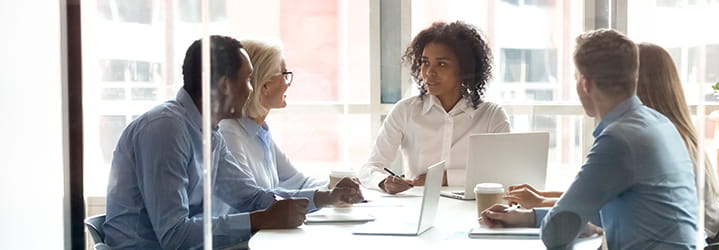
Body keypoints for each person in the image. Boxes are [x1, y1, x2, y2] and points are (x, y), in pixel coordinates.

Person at [104, 35, 363, 249]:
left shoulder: (210, 134)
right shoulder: (165, 130)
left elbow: (251, 197)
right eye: (248, 80)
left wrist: (328, 197)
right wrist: (260, 220)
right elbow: (174, 236)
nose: (252, 89)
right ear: (226, 85)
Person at [479, 29, 700, 249]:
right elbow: (604, 211)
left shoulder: (619, 140)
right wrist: (528, 217)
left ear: (584, 84)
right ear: (634, 76)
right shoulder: (658, 123)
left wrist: (549, 221)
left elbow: (556, 232)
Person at [358, 21, 511, 194]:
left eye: (442, 64)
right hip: (416, 208)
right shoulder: (406, 110)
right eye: (425, 62)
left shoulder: (492, 116)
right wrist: (384, 182)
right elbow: (370, 168)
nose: (429, 72)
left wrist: (444, 178)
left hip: (473, 209)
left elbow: (504, 175)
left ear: (465, 69)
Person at [214, 38, 334, 215]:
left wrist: (335, 186)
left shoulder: (260, 132)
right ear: (265, 86)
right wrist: (326, 196)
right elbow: (254, 201)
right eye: (284, 74)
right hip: (241, 240)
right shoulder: (229, 132)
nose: (289, 82)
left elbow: (299, 182)